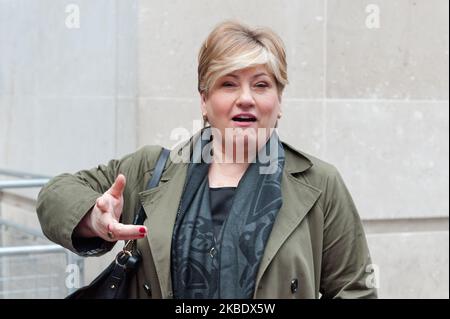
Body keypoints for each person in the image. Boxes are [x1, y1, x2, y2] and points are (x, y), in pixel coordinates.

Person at [36, 20, 377, 299]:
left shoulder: (319, 184)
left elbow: (355, 291)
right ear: (204, 101)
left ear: (279, 101)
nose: (246, 99)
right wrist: (92, 219)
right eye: (228, 84)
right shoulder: (152, 169)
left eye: (261, 85)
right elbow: (55, 194)